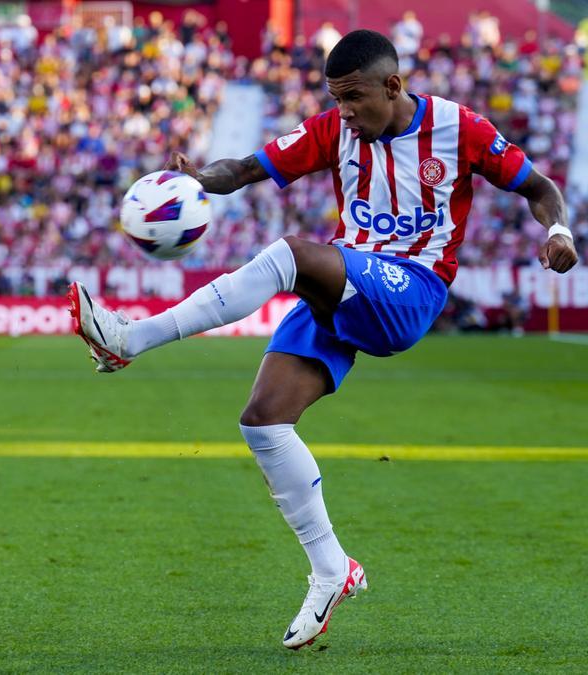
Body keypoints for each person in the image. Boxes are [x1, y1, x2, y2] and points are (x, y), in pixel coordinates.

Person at [69, 30, 577, 649]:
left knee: (292, 254)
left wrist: (560, 231)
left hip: (411, 288)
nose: (344, 112)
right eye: (335, 99)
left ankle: (130, 338)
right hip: (349, 279)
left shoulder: (459, 127)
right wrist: (199, 179)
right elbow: (248, 168)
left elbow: (538, 187)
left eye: (353, 97)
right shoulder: (335, 131)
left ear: (392, 86)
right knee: (264, 421)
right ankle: (332, 570)